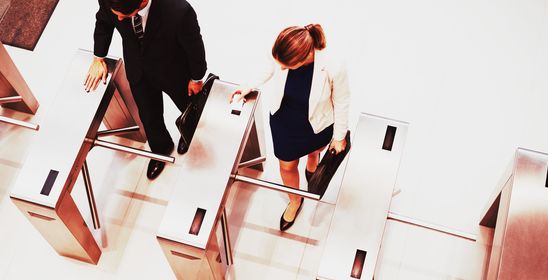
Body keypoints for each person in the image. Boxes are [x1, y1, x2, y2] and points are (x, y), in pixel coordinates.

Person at [232, 24, 350, 231]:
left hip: (317, 124)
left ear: (302, 59)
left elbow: (342, 101)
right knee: (286, 166)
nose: (282, 69)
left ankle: (312, 163)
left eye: (287, 67)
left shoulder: (333, 65)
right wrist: (248, 85)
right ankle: (295, 201)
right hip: (285, 119)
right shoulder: (283, 48)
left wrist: (339, 137)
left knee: (315, 152)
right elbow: (270, 66)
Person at [85, 0, 208, 180]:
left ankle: (188, 134)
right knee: (149, 115)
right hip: (138, 68)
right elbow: (103, 21)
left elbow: (194, 46)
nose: (118, 18)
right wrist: (98, 57)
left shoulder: (178, 10)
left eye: (124, 15)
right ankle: (161, 148)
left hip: (173, 69)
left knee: (189, 108)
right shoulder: (110, 1)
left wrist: (197, 78)